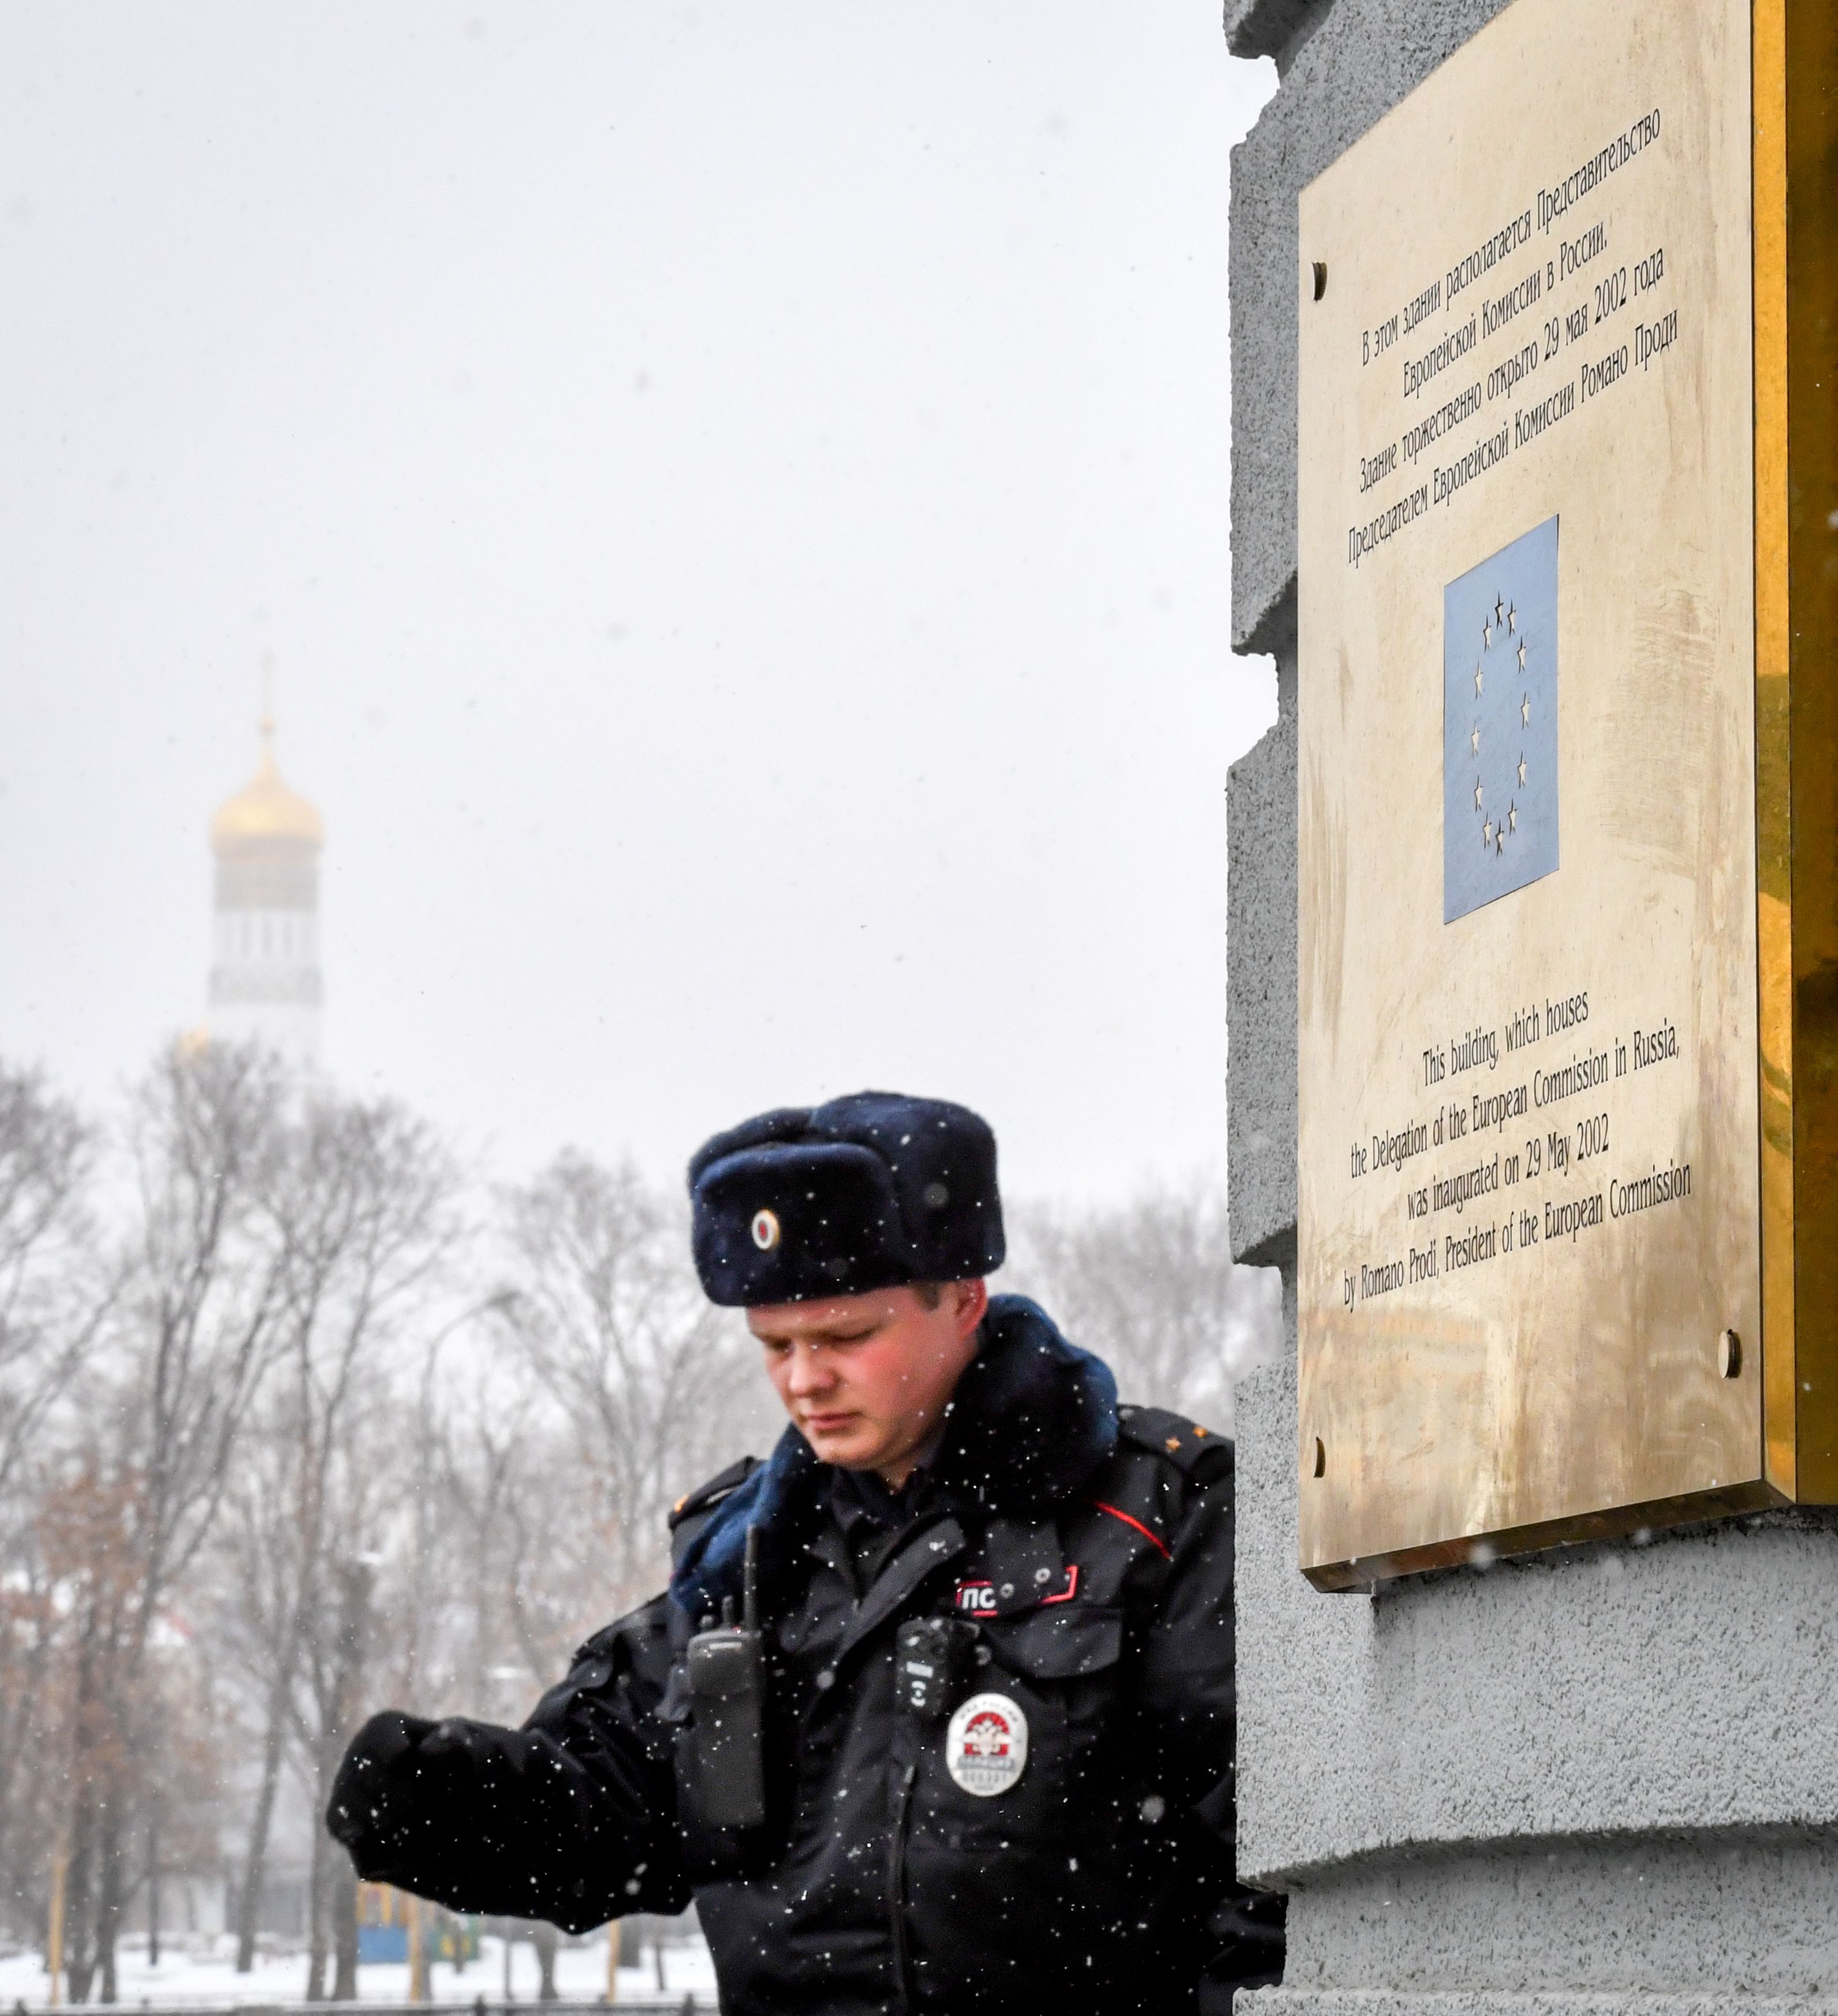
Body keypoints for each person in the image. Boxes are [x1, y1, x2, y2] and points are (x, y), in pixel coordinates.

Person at [327, 1091, 1284, 2014]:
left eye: (845, 1336)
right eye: (773, 1345)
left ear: (962, 1299)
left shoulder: (1157, 1523)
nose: (805, 1380)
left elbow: (1275, 1866)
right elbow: (611, 1808)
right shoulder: (743, 1564)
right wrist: (441, 1802)